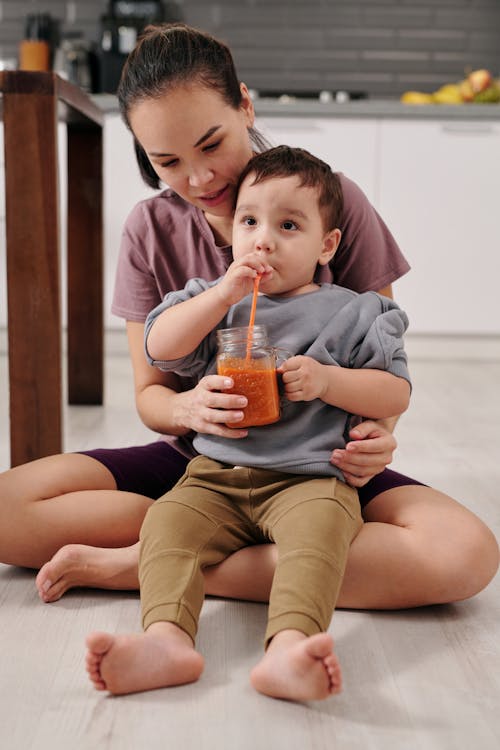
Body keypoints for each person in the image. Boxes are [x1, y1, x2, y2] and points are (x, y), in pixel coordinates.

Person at [0, 23, 497, 609]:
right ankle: (191, 540)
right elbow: (150, 394)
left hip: (319, 469)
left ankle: (150, 564)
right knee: (8, 510)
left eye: (212, 145)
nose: (200, 178)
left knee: (465, 552)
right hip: (205, 463)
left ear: (244, 104)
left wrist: (376, 439)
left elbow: (385, 363)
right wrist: (187, 407)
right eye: (168, 162)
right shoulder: (149, 229)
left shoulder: (332, 202)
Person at [85, 146, 411, 699]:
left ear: (326, 244)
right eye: (250, 221)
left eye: (288, 225)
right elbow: (159, 345)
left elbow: (394, 388)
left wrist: (330, 381)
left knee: (317, 543)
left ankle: (289, 648)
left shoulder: (354, 312)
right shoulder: (217, 303)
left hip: (312, 479)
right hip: (215, 474)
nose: (264, 240)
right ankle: (166, 641)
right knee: (167, 529)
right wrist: (222, 294)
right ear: (231, 230)